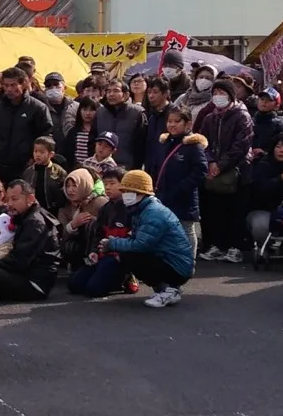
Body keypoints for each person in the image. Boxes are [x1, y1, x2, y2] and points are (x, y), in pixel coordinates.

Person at [100, 170, 195, 308]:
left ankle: (169, 289)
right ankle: (165, 289)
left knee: (130, 255)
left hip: (177, 266)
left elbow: (141, 245)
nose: (125, 194)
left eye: (128, 191)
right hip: (170, 259)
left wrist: (112, 243)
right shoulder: (142, 209)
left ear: (140, 193)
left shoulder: (153, 213)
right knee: (128, 253)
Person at [198, 79, 255, 264]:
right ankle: (218, 245)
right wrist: (211, 162)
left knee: (235, 211)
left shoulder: (242, 116)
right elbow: (203, 142)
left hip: (238, 171)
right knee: (216, 211)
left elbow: (241, 145)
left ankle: (236, 247)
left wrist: (221, 165)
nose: (218, 97)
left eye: (223, 93)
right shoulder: (210, 117)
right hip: (215, 172)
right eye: (216, 93)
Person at [149, 106, 208, 257]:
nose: (172, 125)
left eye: (177, 121)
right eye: (169, 121)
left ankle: (189, 260)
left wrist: (181, 188)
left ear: (188, 124)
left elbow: (200, 171)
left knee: (186, 229)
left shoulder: (193, 146)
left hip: (184, 198)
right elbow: (155, 166)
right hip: (162, 195)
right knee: (164, 229)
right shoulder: (164, 142)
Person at [67, 168, 134, 298]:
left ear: (123, 184)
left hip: (119, 256)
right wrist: (94, 252)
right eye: (105, 184)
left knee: (94, 290)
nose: (108, 187)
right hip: (103, 254)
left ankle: (126, 278)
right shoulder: (105, 209)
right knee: (74, 285)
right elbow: (98, 234)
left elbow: (135, 237)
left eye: (112, 183)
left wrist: (122, 256)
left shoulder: (130, 208)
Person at [0, 68, 54, 184]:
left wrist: (34, 159)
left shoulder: (38, 108)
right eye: (6, 85)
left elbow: (46, 137)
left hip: (27, 168)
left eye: (13, 85)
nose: (9, 89)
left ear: (23, 84)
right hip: (0, 167)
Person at [22, 137, 68, 217]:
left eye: (42, 152)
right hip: (33, 211)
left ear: (51, 154)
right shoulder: (28, 172)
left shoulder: (59, 172)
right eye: (35, 151)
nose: (38, 155)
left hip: (53, 211)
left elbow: (64, 192)